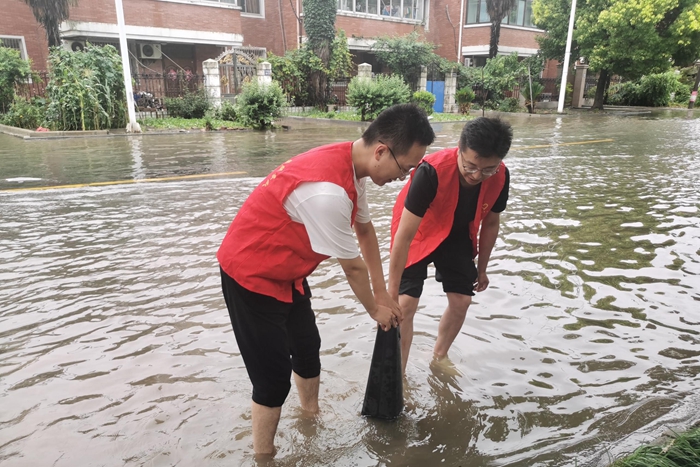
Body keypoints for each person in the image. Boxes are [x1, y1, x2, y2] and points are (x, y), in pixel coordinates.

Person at [217, 103, 435, 455]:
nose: (405, 177)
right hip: (250, 276)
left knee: (307, 349)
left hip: (289, 274)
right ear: (381, 151)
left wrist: (384, 294)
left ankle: (310, 416)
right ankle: (264, 456)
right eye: (405, 168)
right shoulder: (328, 192)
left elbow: (365, 230)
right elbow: (352, 268)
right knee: (272, 380)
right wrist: (375, 311)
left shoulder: (354, 169)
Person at [387, 117, 513, 374]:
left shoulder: (500, 176)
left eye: (487, 169)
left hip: (457, 233)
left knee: (462, 301)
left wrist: (483, 269)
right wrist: (391, 291)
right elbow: (404, 234)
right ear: (459, 147)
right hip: (420, 231)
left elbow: (490, 224)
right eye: (470, 166)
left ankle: (439, 356)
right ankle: (399, 375)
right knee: (406, 304)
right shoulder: (430, 171)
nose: (477, 175)